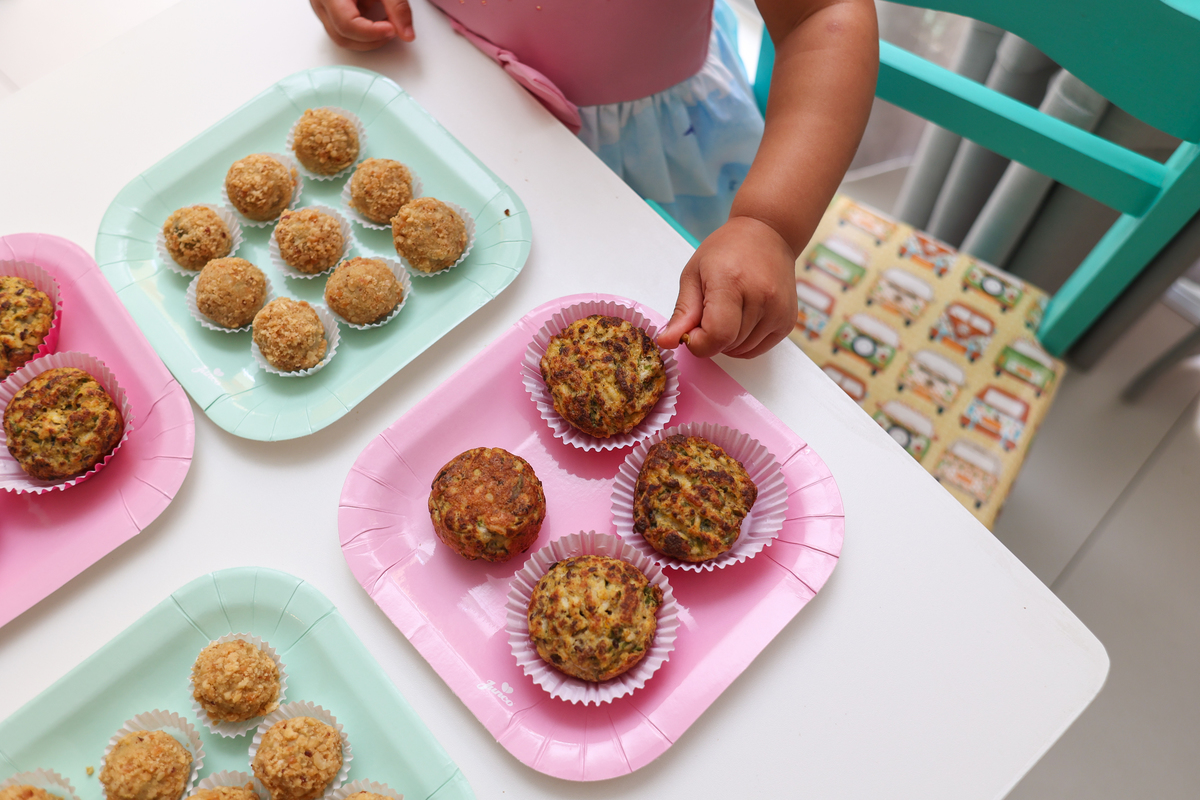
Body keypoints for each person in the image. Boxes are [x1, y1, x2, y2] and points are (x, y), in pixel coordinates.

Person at [309, 0, 877, 359]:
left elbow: (822, 16)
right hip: (449, 103)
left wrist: (768, 225)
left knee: (680, 311)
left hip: (657, 150)